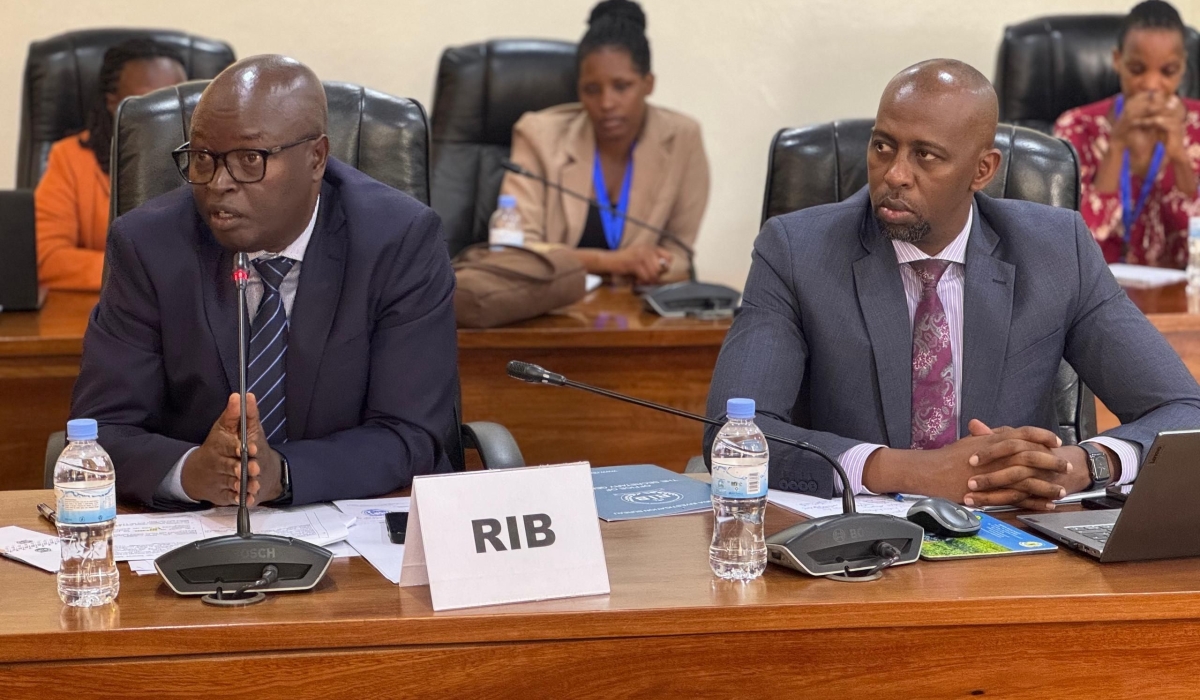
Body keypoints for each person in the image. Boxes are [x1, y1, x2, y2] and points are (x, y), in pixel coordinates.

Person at [706, 59, 1200, 510]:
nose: (895, 174)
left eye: (926, 156)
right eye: (883, 146)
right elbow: (732, 435)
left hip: (1018, 544)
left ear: (982, 170)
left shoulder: (1056, 250)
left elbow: (1185, 413)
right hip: (856, 551)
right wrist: (907, 470)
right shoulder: (796, 251)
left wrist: (1078, 465)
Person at [70, 55, 458, 508]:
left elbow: (412, 433)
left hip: (353, 526)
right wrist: (190, 471)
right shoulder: (148, 245)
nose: (218, 183)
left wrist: (284, 474)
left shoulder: (398, 240)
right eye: (202, 159)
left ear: (316, 157)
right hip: (195, 528)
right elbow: (100, 431)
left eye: (249, 159)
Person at [499, 0, 710, 285]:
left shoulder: (682, 139)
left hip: (638, 311)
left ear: (648, 83)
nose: (606, 103)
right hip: (551, 307)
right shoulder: (539, 136)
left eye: (621, 87)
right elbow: (516, 249)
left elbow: (680, 251)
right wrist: (611, 262)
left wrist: (658, 264)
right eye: (591, 90)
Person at [1054, 0, 1200, 268]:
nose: (1151, 85)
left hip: (1182, 300)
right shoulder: (1077, 126)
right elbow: (1071, 244)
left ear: (1182, 68)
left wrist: (1179, 158)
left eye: (1167, 71)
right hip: (1097, 295)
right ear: (1118, 60)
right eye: (1137, 69)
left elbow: (1193, 249)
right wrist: (1117, 145)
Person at [35, 39, 187, 291]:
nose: (166, 113)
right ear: (112, 103)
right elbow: (47, 258)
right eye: (149, 100)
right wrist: (146, 274)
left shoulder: (216, 161)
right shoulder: (70, 159)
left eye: (177, 100)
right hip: (109, 313)